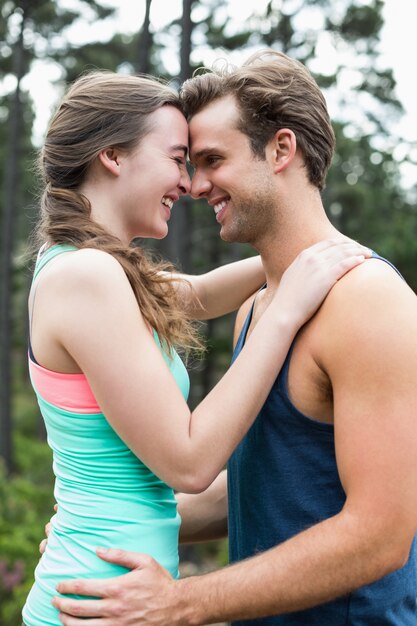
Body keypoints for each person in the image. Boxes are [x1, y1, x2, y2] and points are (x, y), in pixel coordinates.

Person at [50, 51, 417, 625]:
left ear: (281, 150)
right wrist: (96, 529)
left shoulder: (367, 303)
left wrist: (184, 602)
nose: (193, 184)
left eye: (211, 160)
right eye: (185, 162)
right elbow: (263, 488)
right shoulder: (263, 309)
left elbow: (381, 535)